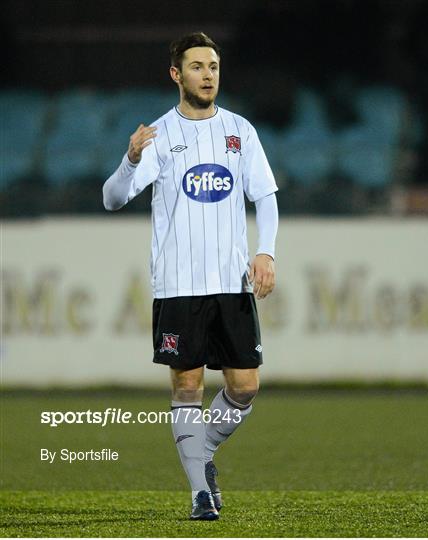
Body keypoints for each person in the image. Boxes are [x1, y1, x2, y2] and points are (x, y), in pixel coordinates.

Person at [102, 32, 278, 521]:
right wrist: (131, 158)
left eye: (214, 66)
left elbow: (264, 196)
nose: (208, 75)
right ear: (176, 74)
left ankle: (202, 454)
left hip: (231, 282)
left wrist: (266, 252)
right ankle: (201, 492)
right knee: (188, 388)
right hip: (179, 285)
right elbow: (112, 198)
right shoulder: (158, 137)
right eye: (198, 66)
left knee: (245, 387)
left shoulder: (239, 130)